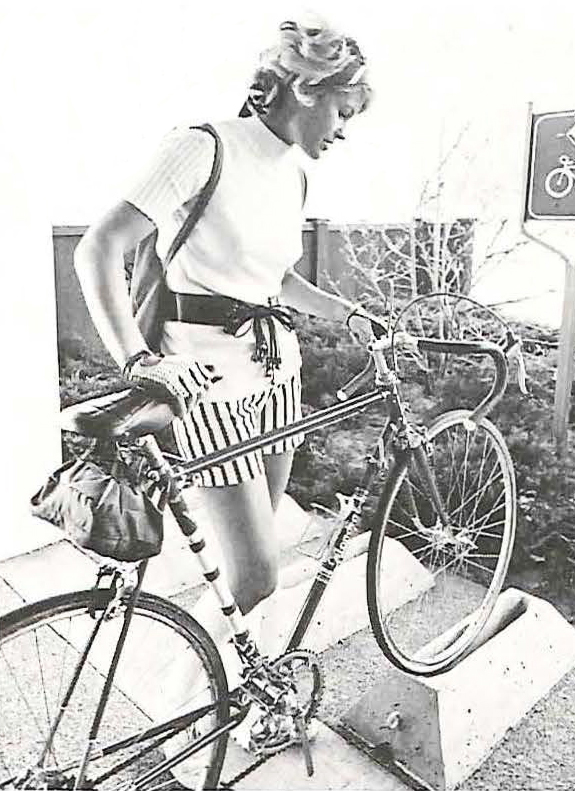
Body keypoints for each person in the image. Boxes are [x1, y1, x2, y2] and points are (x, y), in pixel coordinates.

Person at [74, 14, 374, 756]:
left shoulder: (294, 170)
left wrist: (349, 313)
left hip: (275, 377)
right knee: (257, 572)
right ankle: (184, 719)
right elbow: (98, 247)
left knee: (254, 559)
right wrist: (142, 362)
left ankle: (240, 694)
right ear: (305, 89)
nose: (345, 130)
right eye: (343, 111)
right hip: (204, 385)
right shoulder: (202, 145)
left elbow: (275, 277)